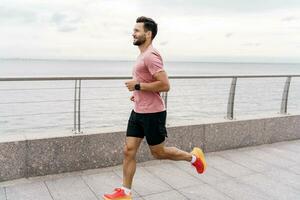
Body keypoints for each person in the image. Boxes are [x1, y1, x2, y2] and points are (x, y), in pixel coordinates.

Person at [103, 16, 206, 200]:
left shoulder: (151, 56)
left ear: (148, 34)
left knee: (158, 152)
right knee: (128, 150)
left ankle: (194, 158)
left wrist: (138, 86)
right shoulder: (142, 55)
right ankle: (125, 192)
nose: (133, 33)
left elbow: (165, 85)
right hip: (138, 111)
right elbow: (147, 82)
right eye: (133, 30)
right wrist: (137, 94)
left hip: (153, 114)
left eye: (137, 30)